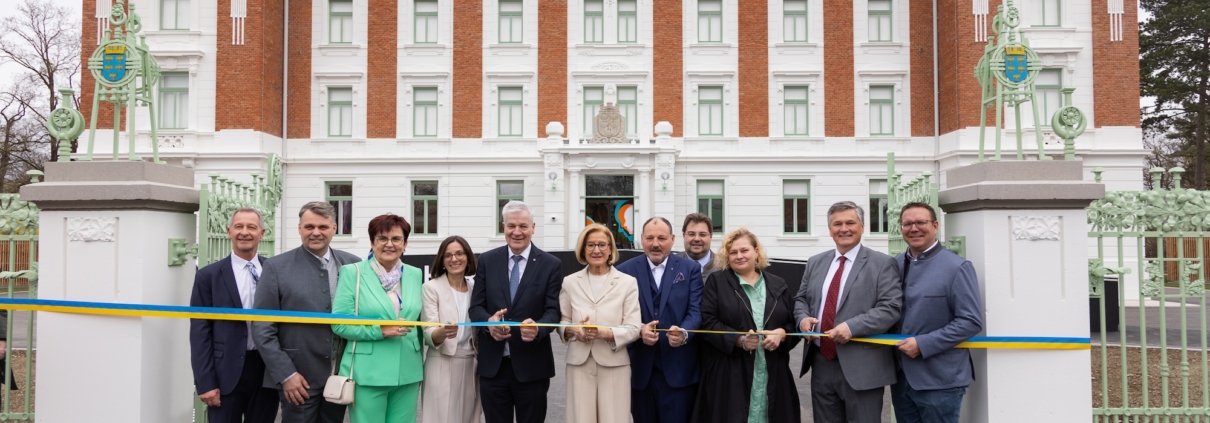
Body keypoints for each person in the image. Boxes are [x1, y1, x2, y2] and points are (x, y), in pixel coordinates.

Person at [793, 201, 902, 423]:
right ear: (830, 229)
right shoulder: (815, 262)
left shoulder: (882, 263)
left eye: (850, 223)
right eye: (837, 224)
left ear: (862, 227)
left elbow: (890, 308)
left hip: (863, 365)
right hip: (821, 362)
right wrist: (802, 319)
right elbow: (801, 299)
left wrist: (852, 327)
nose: (844, 229)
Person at [253, 202, 362, 423]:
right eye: (309, 226)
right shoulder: (276, 267)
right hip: (298, 378)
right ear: (299, 228)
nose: (316, 232)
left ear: (334, 228)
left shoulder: (353, 265)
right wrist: (286, 374)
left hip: (341, 375)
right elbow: (262, 328)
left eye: (323, 227)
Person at [468, 201, 562, 423]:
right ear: (503, 227)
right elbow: (476, 308)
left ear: (533, 227)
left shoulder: (551, 264)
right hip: (494, 367)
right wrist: (489, 323)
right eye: (511, 226)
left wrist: (538, 329)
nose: (517, 232)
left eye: (523, 226)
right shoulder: (487, 260)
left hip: (532, 367)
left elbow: (553, 311)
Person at [693, 228, 800, 422]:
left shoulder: (778, 284)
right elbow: (707, 322)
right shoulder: (717, 282)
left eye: (744, 250)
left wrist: (782, 333)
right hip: (730, 375)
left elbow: (793, 322)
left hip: (773, 372)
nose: (739, 256)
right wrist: (738, 339)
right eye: (733, 252)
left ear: (756, 251)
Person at [890, 202, 983, 423]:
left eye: (920, 222)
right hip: (901, 379)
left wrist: (923, 344)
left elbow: (970, 321)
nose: (914, 228)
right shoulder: (894, 265)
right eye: (907, 224)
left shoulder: (957, 267)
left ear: (935, 226)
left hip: (941, 381)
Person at [331, 214, 424, 423]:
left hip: (408, 371)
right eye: (382, 238)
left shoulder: (414, 274)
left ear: (405, 244)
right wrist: (380, 330)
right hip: (368, 372)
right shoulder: (352, 273)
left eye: (396, 239)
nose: (389, 244)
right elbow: (339, 323)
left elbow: (419, 321)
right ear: (372, 243)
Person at [189, 208, 279, 423]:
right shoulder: (208, 276)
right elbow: (199, 331)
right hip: (224, 373)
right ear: (229, 231)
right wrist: (205, 382)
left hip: (267, 371)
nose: (244, 232)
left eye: (251, 227)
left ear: (262, 233)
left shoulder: (275, 272)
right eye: (239, 226)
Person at [616, 217, 703, 423]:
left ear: (672, 239)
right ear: (641, 239)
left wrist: (683, 333)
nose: (655, 243)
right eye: (650, 238)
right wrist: (639, 330)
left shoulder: (690, 269)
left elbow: (696, 311)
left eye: (662, 238)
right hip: (640, 370)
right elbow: (619, 315)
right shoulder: (624, 271)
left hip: (678, 370)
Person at [558, 224, 642, 423]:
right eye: (590, 245)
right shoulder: (570, 282)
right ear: (583, 249)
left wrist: (605, 333)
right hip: (579, 363)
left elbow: (634, 327)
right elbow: (563, 321)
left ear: (611, 249)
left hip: (614, 363)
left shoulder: (627, 282)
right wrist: (573, 330)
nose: (596, 250)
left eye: (602, 245)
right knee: (580, 418)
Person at [420, 236, 482, 423]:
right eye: (448, 255)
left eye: (459, 253)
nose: (454, 259)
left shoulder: (475, 288)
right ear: (442, 260)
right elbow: (428, 330)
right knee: (440, 417)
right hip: (441, 362)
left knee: (469, 417)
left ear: (468, 257)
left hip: (471, 363)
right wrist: (443, 332)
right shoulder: (431, 287)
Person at [675, 213, 722, 280]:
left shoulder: (723, 267)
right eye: (691, 234)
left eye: (702, 234)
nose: (697, 239)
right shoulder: (670, 265)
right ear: (683, 235)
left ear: (711, 236)